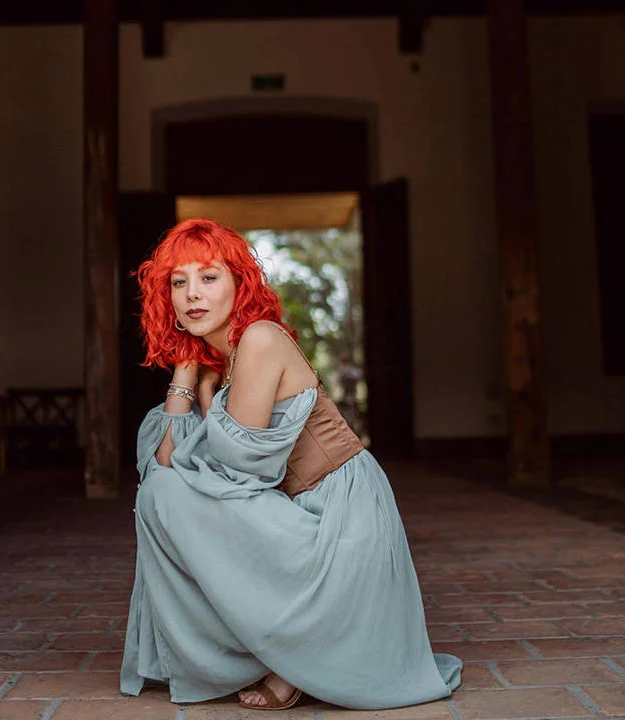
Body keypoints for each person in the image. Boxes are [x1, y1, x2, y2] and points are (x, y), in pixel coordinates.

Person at [120, 218, 462, 711]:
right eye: (179, 282)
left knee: (167, 494)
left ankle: (284, 654)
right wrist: (185, 368)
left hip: (340, 516)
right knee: (160, 491)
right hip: (292, 509)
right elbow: (166, 460)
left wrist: (202, 394)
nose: (192, 293)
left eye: (209, 277)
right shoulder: (219, 362)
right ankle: (268, 648)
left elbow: (238, 469)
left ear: (240, 285)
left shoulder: (260, 338)